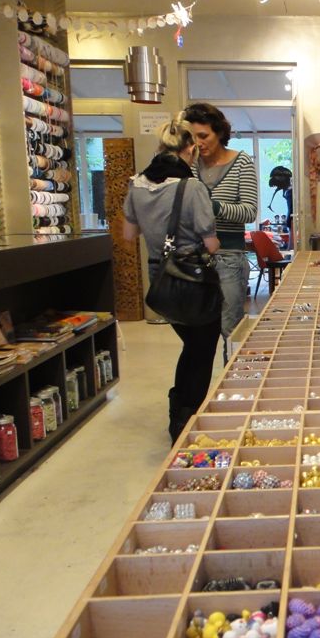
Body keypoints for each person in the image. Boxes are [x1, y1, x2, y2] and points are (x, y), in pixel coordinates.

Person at [122, 115, 221, 441]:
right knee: (202, 349)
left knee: (191, 345)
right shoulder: (191, 187)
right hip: (193, 280)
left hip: (160, 278)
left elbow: (129, 234)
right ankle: (184, 420)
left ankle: (179, 413)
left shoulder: (137, 184)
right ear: (190, 149)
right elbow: (210, 243)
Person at [182, 103, 259, 362]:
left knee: (230, 331)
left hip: (229, 256)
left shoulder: (241, 162)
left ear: (219, 133)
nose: (198, 143)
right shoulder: (189, 165)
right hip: (194, 257)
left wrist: (212, 207)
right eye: (192, 137)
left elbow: (249, 211)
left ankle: (232, 382)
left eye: (204, 136)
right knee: (197, 335)